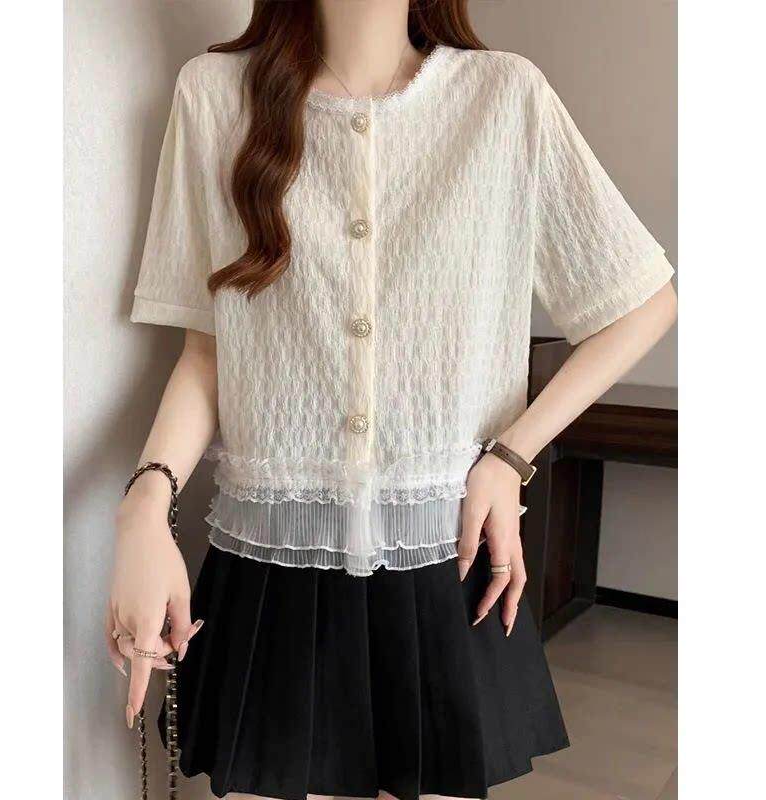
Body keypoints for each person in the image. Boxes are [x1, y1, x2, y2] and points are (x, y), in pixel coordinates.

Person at [106, 1, 678, 798]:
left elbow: (642, 303)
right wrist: (143, 510)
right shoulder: (212, 96)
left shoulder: (504, 98)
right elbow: (209, 353)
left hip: (446, 562)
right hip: (274, 567)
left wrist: (510, 458)